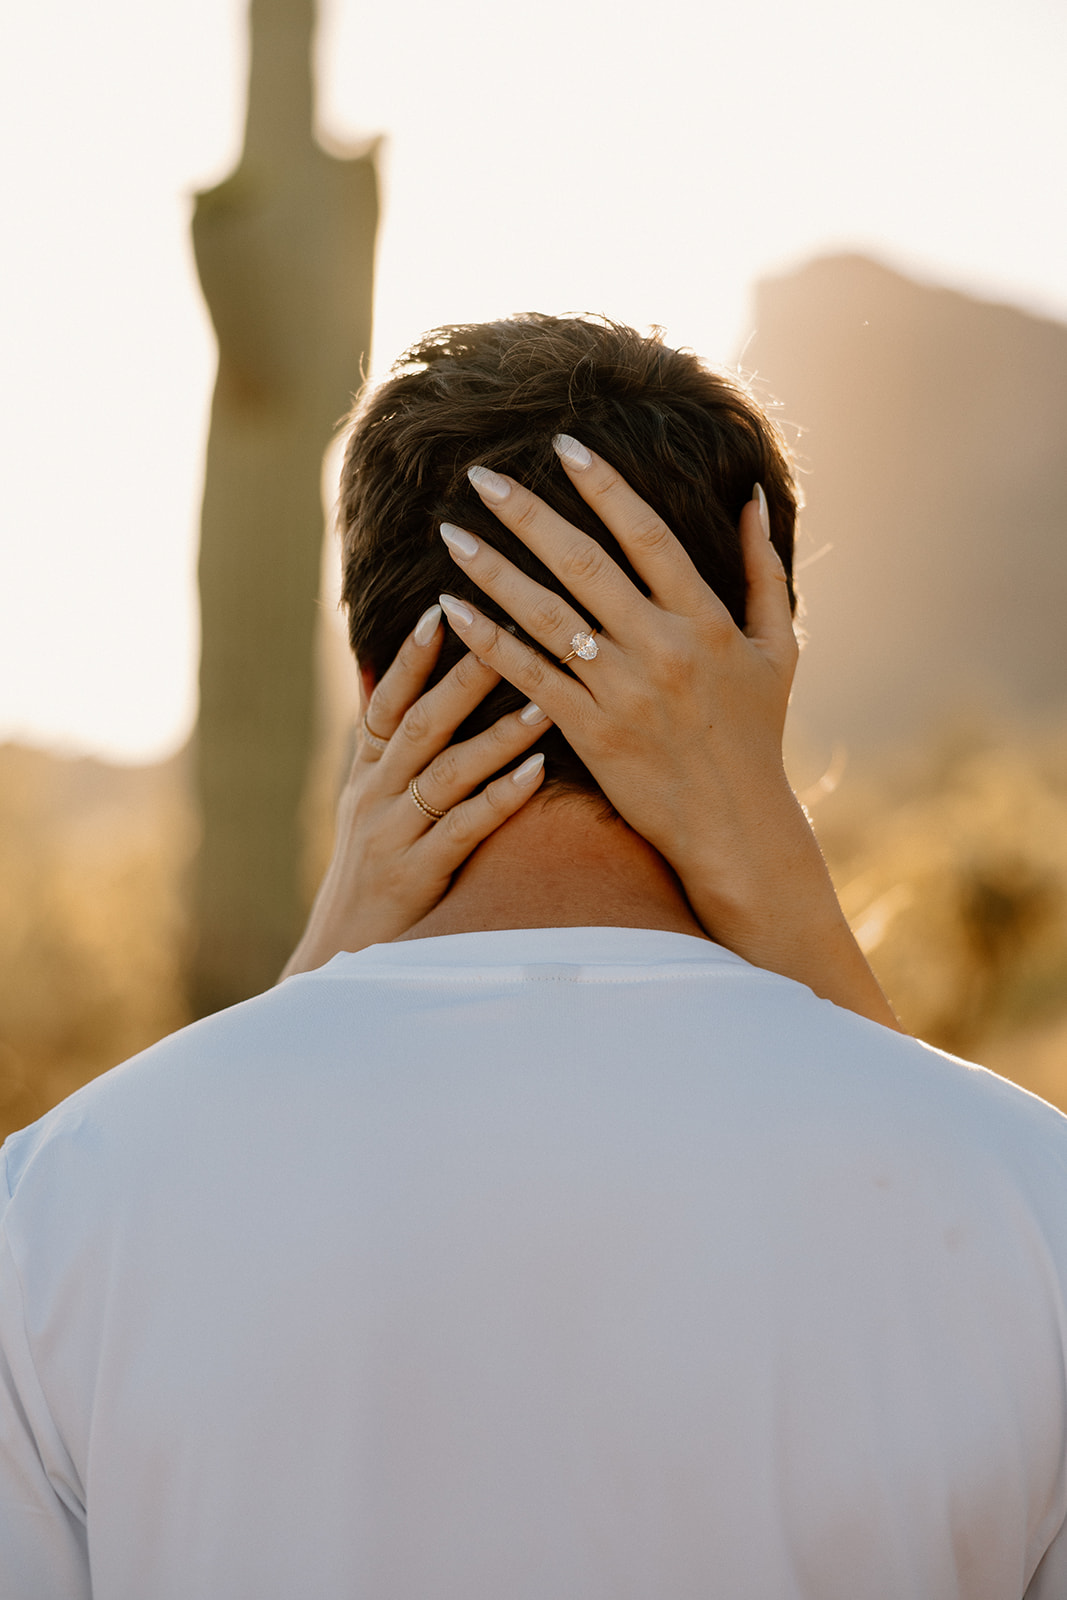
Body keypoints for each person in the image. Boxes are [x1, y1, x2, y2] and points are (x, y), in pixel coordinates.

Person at [2, 316, 1066, 1598]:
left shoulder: (56, 1210)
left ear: (368, 669)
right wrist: (790, 899)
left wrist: (306, 986)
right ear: (760, 669)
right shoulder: (1027, 1203)